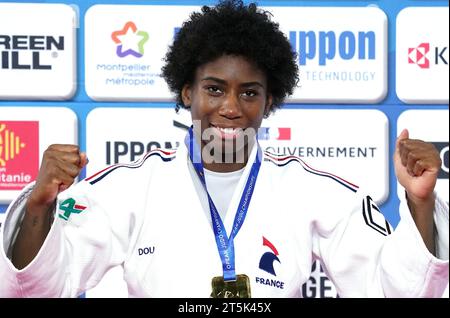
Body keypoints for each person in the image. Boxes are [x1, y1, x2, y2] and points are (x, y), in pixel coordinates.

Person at [0, 0, 448, 298]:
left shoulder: (310, 188)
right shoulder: (131, 186)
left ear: (270, 101)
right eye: (214, 89)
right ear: (185, 94)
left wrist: (421, 201)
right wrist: (40, 203)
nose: (230, 109)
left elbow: (393, 290)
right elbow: (38, 286)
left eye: (249, 93)